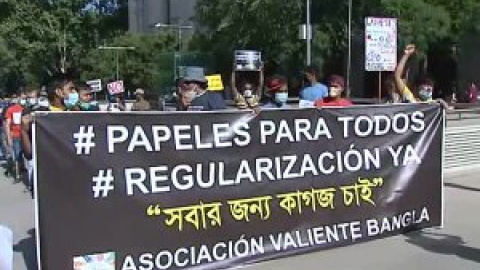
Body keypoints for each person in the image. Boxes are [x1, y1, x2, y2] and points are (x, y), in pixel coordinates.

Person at [4, 94, 24, 180]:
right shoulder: (10, 110)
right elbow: (7, 124)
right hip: (15, 134)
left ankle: (18, 170)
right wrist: (8, 137)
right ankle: (17, 174)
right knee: (17, 154)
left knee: (19, 154)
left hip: (23, 134)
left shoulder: (23, 109)